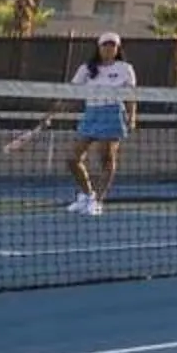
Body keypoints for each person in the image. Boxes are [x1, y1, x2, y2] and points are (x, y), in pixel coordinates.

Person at [63, 32, 137, 216]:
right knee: (72, 158)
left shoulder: (125, 68)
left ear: (117, 48)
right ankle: (87, 195)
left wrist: (132, 117)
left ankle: (97, 202)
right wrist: (57, 108)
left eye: (113, 45)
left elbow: (131, 96)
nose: (109, 48)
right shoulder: (86, 68)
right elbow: (71, 91)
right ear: (99, 47)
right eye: (105, 45)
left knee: (106, 159)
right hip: (91, 113)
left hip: (112, 112)